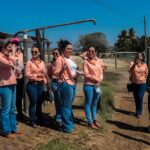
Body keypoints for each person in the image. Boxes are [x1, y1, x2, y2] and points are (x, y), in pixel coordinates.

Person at [54, 40, 80, 133]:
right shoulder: (59, 59)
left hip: (72, 83)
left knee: (69, 106)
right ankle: (67, 128)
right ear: (63, 49)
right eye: (68, 49)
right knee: (65, 106)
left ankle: (70, 124)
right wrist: (62, 70)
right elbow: (56, 73)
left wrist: (78, 73)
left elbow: (74, 70)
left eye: (71, 49)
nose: (70, 50)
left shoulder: (71, 58)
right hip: (65, 84)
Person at [0, 41, 22, 138]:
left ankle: (13, 128)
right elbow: (11, 65)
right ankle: (6, 130)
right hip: (5, 85)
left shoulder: (8, 57)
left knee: (12, 108)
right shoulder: (1, 57)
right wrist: (13, 52)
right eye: (8, 47)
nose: (10, 49)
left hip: (13, 84)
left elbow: (16, 66)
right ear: (2, 48)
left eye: (10, 47)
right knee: (6, 109)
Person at [25, 45, 47, 127]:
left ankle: (39, 119)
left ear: (39, 53)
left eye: (35, 52)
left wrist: (44, 80)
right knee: (33, 103)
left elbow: (44, 73)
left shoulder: (42, 62)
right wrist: (37, 76)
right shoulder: (29, 62)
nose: (33, 53)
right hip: (32, 85)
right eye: (32, 52)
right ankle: (32, 121)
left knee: (39, 103)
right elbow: (27, 74)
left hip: (40, 85)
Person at [83, 46, 104, 129]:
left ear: (95, 52)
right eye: (89, 51)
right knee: (88, 104)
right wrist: (96, 79)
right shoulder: (85, 62)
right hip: (88, 85)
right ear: (87, 52)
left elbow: (101, 72)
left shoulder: (99, 61)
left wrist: (99, 81)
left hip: (97, 85)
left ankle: (95, 120)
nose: (91, 52)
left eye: (92, 51)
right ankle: (90, 122)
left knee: (94, 104)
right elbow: (86, 74)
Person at [129, 52, 148, 118]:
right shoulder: (132, 63)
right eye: (137, 56)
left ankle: (139, 112)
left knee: (140, 97)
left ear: (142, 58)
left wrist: (143, 79)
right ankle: (137, 110)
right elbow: (130, 71)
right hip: (134, 83)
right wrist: (134, 64)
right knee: (136, 98)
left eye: (140, 56)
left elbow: (146, 74)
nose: (138, 57)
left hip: (142, 83)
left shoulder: (145, 65)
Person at [10, 38, 24, 121]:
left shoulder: (21, 54)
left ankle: (20, 114)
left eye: (17, 44)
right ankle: (13, 114)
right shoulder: (10, 54)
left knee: (19, 96)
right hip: (12, 78)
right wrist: (13, 51)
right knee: (12, 97)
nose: (16, 45)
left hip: (20, 78)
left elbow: (21, 64)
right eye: (14, 44)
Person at [47, 48, 62, 126]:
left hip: (62, 82)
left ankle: (60, 116)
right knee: (58, 101)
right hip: (55, 83)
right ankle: (59, 118)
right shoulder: (50, 64)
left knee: (62, 101)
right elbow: (49, 74)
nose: (55, 55)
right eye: (54, 53)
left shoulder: (62, 62)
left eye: (57, 53)